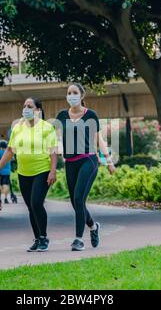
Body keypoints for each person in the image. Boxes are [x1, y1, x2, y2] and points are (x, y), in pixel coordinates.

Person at [56, 83, 116, 252]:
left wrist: (109, 161)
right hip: (70, 162)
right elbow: (56, 140)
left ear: (82, 96)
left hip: (88, 160)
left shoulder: (91, 115)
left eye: (75, 92)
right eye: (69, 93)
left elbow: (99, 140)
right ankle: (93, 226)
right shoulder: (61, 116)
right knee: (76, 203)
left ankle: (78, 239)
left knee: (78, 199)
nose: (71, 96)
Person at [0, 97, 57, 252]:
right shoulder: (18, 128)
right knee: (30, 207)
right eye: (24, 106)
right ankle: (37, 238)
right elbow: (10, 150)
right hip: (23, 172)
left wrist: (53, 171)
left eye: (30, 106)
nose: (26, 109)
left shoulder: (47, 127)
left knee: (36, 203)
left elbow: (53, 151)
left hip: (42, 170)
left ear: (38, 110)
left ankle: (43, 238)